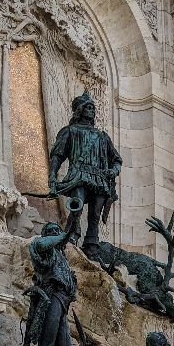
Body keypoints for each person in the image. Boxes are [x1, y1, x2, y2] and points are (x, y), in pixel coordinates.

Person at [48, 91, 122, 258]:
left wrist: (113, 170)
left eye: (93, 108)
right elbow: (58, 155)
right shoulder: (69, 131)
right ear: (80, 110)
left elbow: (117, 159)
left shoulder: (103, 137)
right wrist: (52, 176)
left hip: (99, 178)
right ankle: (71, 237)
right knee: (77, 207)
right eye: (88, 107)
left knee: (95, 215)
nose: (92, 111)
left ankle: (91, 245)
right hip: (79, 176)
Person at [19, 221, 78, 346]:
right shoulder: (41, 246)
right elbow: (47, 242)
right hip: (50, 298)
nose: (54, 234)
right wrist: (63, 233)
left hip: (62, 303)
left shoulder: (62, 257)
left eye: (56, 231)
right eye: (50, 232)